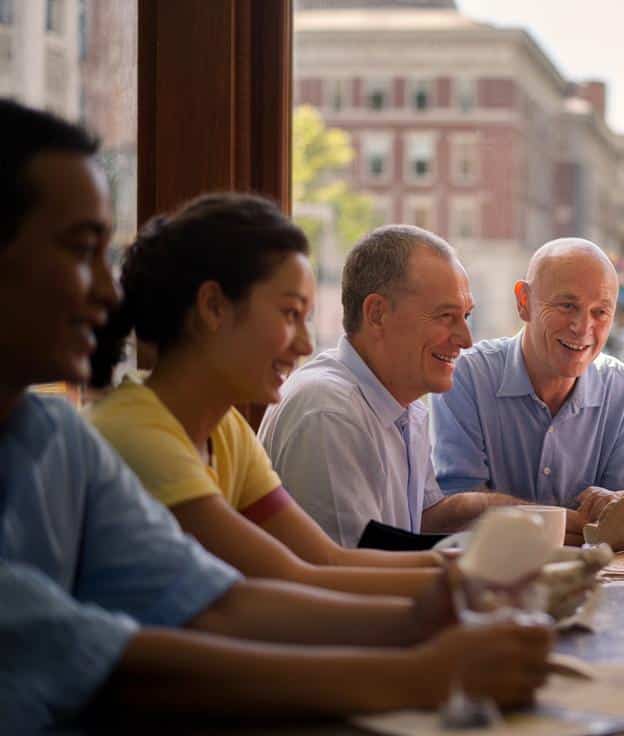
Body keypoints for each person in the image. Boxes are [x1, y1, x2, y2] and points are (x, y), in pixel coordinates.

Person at [0, 99, 549, 731]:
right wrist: (426, 661)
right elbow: (109, 661)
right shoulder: (141, 433)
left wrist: (437, 609)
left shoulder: (62, 437)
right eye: (79, 249)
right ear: (213, 308)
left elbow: (227, 599)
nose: (105, 290)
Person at [86, 194, 449, 597]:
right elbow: (290, 582)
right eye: (290, 314)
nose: (306, 345)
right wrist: (460, 587)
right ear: (213, 307)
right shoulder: (141, 437)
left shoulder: (225, 431)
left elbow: (326, 559)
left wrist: (473, 569)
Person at [259, 225, 518, 546]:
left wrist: (502, 509)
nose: (466, 340)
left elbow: (415, 522)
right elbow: (351, 574)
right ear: (377, 314)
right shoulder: (329, 412)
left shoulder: (406, 406)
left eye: (466, 316)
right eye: (445, 316)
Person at [430, 238, 624, 546]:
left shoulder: (618, 385)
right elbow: (454, 513)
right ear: (524, 302)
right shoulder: (466, 375)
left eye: (600, 312)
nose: (582, 326)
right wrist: (561, 521)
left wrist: (620, 505)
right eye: (567, 306)